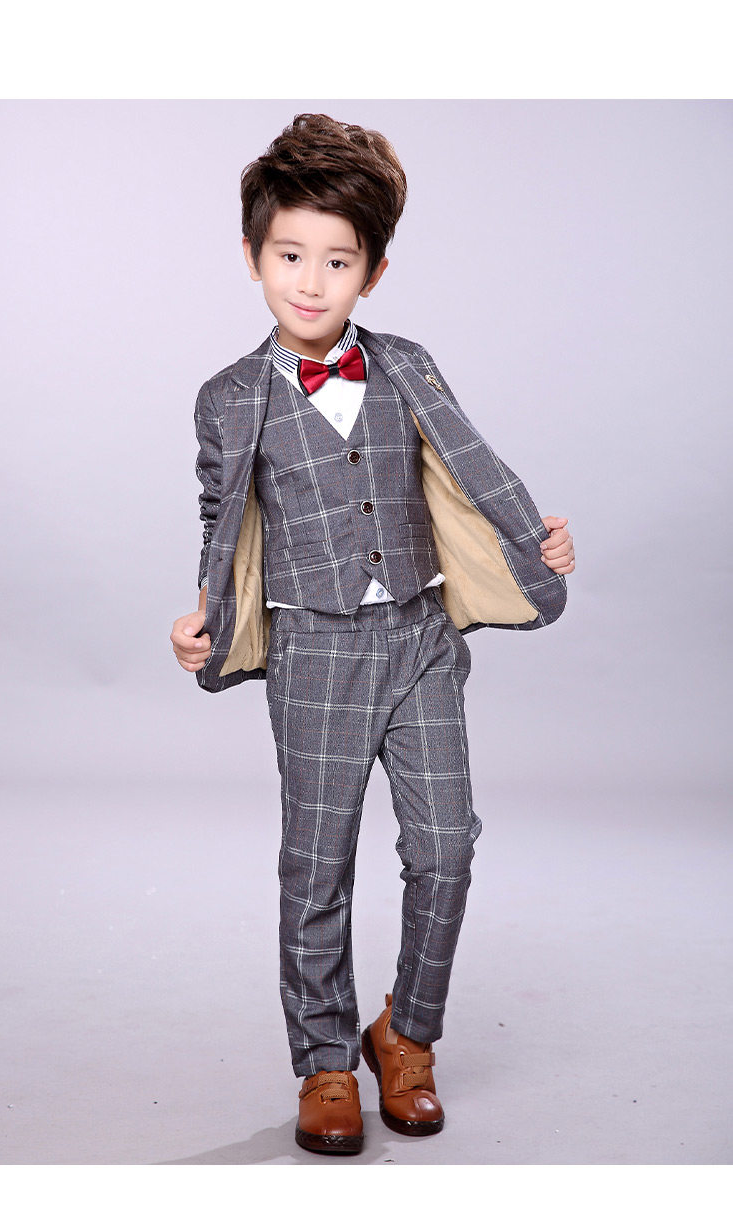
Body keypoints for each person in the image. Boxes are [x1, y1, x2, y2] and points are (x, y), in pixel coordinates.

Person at [170, 113, 575, 1156]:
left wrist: (532, 541)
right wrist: (202, 619)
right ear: (253, 256)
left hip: (420, 637)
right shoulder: (228, 398)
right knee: (317, 864)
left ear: (373, 272)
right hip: (314, 651)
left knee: (447, 847)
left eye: (338, 261)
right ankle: (324, 1061)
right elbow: (223, 525)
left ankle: (408, 1033)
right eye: (289, 256)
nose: (311, 282)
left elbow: (469, 469)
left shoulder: (406, 365)